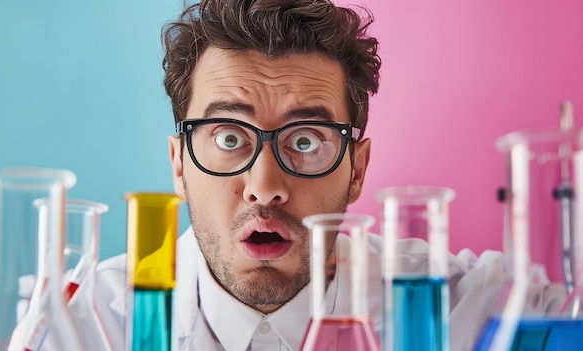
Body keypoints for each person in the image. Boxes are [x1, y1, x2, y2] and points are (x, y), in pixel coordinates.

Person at [91, 0, 567, 350]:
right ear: (179, 164)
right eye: (229, 138)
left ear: (356, 168)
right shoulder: (96, 322)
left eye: (305, 141)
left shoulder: (467, 309)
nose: (265, 188)